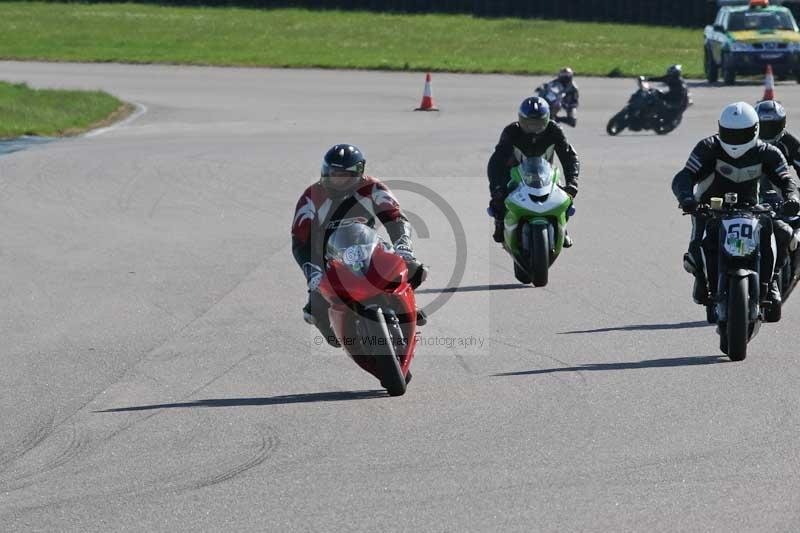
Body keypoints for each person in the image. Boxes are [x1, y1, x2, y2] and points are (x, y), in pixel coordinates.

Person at [672, 102, 800, 321]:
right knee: (695, 254)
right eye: (729, 133)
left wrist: (791, 199)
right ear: (720, 128)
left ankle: (770, 283)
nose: (735, 139)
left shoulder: (768, 152)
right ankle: (704, 281)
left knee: (783, 232)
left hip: (753, 210)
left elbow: (786, 180)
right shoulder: (707, 147)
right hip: (709, 209)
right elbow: (684, 176)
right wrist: (686, 199)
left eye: (741, 134)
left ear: (754, 130)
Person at [291, 144, 426, 347]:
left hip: (368, 249)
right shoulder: (312, 197)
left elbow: (395, 218)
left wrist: (403, 247)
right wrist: (311, 270)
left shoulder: (373, 188)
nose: (336, 180)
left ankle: (406, 305)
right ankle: (333, 327)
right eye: (332, 174)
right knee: (317, 309)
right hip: (328, 259)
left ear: (358, 173)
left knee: (414, 269)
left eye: (343, 176)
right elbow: (300, 240)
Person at [487, 96, 580, 244]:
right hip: (514, 174)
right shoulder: (511, 131)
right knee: (498, 201)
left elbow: (569, 156)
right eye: (528, 124)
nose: (533, 128)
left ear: (547, 120)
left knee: (566, 197)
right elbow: (496, 160)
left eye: (537, 124)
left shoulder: (554, 130)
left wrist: (572, 182)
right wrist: (496, 188)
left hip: (545, 174)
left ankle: (563, 227)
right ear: (520, 119)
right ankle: (500, 224)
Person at [755, 99, 800, 177]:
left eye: (772, 126)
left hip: (782, 182)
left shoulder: (792, 143)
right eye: (764, 127)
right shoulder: (748, 141)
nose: (768, 131)